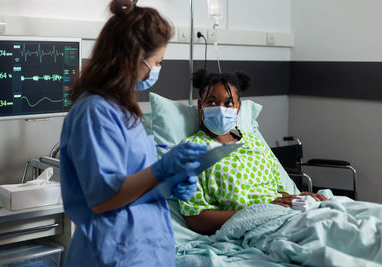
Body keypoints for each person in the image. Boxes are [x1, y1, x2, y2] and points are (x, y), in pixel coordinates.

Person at [59, 1, 207, 266]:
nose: (157, 69)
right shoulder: (95, 112)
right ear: (135, 59)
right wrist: (162, 170)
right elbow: (103, 198)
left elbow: (133, 179)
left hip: (145, 247)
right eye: (157, 62)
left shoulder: (124, 110)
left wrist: (169, 183)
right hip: (114, 251)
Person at [179, 69, 327, 235]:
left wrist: (298, 198)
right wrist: (261, 211)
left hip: (287, 215)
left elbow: (276, 191)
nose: (221, 109)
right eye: (212, 103)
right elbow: (196, 219)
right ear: (201, 106)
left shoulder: (254, 141)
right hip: (256, 226)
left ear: (238, 107)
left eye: (228, 103)